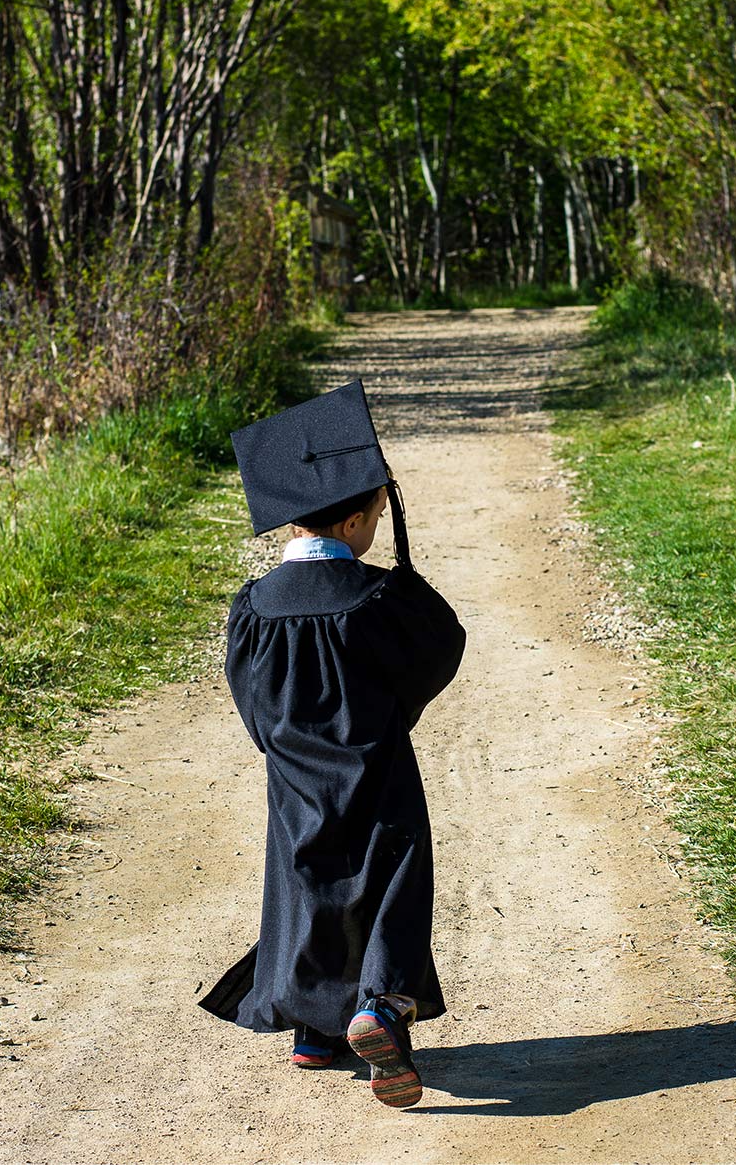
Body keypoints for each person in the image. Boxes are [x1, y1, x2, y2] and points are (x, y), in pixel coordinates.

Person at [199, 380, 465, 1109]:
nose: (381, 520)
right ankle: (381, 1006)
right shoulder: (379, 602)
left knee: (303, 884)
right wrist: (389, 710)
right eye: (378, 512)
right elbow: (441, 648)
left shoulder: (252, 611)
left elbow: (253, 708)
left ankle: (314, 1033)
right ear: (353, 522)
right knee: (391, 886)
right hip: (380, 775)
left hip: (293, 784)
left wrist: (287, 741)